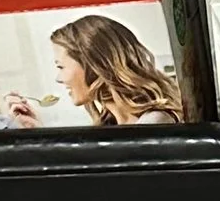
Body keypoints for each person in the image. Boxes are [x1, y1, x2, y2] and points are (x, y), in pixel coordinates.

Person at [51, 12, 192, 128]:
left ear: (94, 65)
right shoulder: (113, 126)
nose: (58, 78)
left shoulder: (154, 126)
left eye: (61, 67)